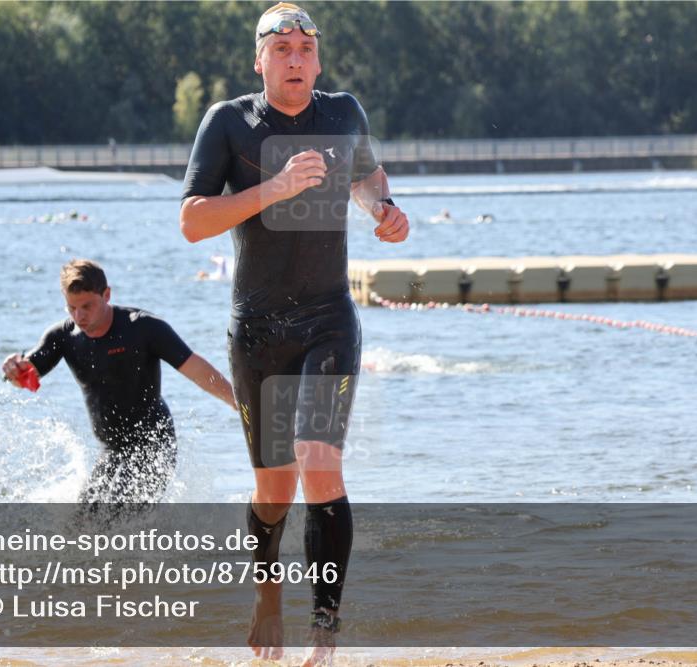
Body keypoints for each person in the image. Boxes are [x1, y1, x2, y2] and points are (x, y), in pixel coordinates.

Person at [179, 3, 409, 664]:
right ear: (260, 60)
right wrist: (275, 187)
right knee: (274, 490)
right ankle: (266, 594)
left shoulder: (344, 113)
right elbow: (193, 222)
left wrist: (383, 211)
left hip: (328, 318)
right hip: (256, 331)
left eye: (306, 48)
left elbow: (367, 177)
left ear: (318, 59)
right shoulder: (228, 122)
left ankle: (325, 633)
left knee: (318, 459)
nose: (296, 59)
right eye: (282, 48)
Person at [2, 259, 236, 505]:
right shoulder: (62, 336)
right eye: (71, 308)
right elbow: (26, 377)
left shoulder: (142, 327)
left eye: (87, 306)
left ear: (106, 295)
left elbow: (196, 368)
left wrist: (237, 402)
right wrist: (13, 372)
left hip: (154, 444)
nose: (78, 316)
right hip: (111, 451)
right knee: (79, 525)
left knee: (117, 518)